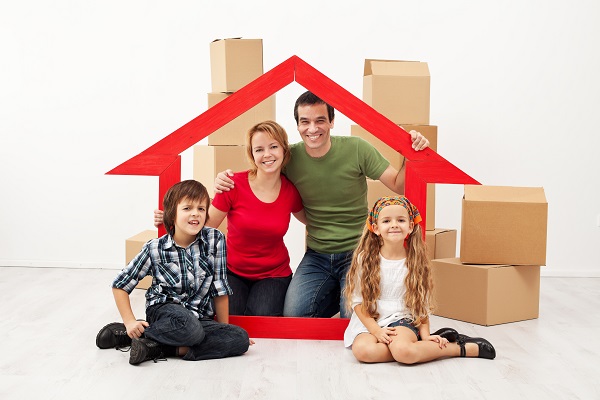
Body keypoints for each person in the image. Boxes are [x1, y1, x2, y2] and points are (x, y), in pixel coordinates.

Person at [215, 91, 430, 318]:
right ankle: (340, 291)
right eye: (305, 122)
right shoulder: (289, 157)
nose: (312, 128)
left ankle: (347, 294)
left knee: (354, 320)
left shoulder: (357, 149)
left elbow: (399, 185)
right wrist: (223, 179)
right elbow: (260, 172)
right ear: (297, 126)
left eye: (320, 120)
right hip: (317, 254)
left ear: (332, 122)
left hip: (358, 251)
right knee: (294, 316)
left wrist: (411, 153)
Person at [154, 121, 306, 316]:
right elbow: (204, 225)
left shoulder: (290, 192)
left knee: (261, 317)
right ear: (252, 155)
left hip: (274, 275)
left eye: (273, 146)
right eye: (259, 149)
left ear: (284, 149)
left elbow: (312, 220)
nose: (267, 154)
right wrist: (171, 219)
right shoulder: (232, 184)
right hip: (232, 270)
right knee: (230, 316)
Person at [96, 180, 250, 365]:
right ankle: (131, 332)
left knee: (240, 339)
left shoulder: (215, 239)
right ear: (172, 214)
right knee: (191, 329)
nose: (195, 213)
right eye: (187, 208)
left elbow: (220, 288)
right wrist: (129, 321)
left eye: (201, 209)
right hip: (164, 310)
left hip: (199, 317)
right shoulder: (155, 248)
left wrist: (223, 330)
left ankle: (155, 346)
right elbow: (120, 284)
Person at [343, 196, 496, 363]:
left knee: (403, 352)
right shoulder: (364, 259)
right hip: (371, 320)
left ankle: (459, 348)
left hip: (401, 319)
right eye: (386, 221)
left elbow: (420, 302)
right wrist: (376, 330)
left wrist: (426, 335)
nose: (394, 224)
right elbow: (357, 301)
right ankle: (417, 349)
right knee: (364, 351)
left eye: (400, 220)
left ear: (410, 226)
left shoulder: (414, 260)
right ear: (376, 228)